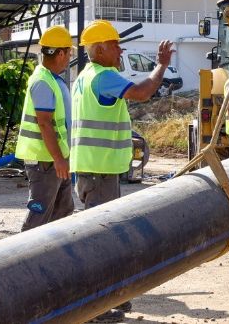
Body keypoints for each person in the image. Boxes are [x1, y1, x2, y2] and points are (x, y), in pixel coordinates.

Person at [71, 20, 172, 322]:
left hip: (94, 169)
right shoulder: (104, 77)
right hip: (99, 171)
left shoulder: (85, 77)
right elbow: (142, 92)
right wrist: (161, 65)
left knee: (104, 237)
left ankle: (110, 296)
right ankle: (94, 308)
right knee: (100, 242)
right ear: (100, 49)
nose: (120, 50)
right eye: (115, 45)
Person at [15, 26, 74, 232]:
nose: (70, 57)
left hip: (54, 159)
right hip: (45, 161)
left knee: (63, 210)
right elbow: (44, 123)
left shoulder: (51, 79)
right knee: (39, 216)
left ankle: (55, 249)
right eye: (69, 52)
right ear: (60, 54)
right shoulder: (42, 81)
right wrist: (58, 159)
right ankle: (25, 250)